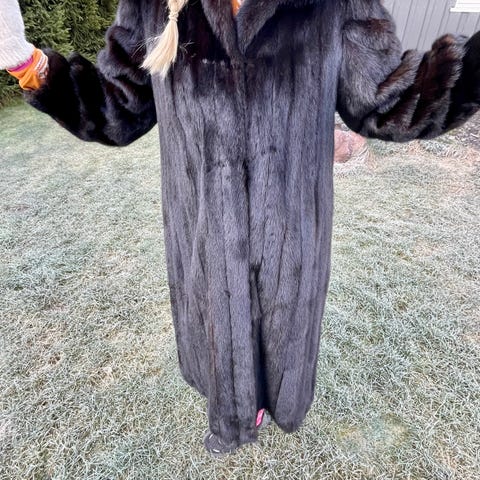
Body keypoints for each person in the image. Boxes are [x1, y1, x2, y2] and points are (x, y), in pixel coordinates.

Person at [1, 0, 479, 456]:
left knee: (280, 340)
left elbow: (389, 98)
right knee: (217, 340)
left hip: (291, 236)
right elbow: (117, 110)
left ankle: (266, 404)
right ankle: (233, 414)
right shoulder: (153, 6)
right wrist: (30, 65)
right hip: (204, 237)